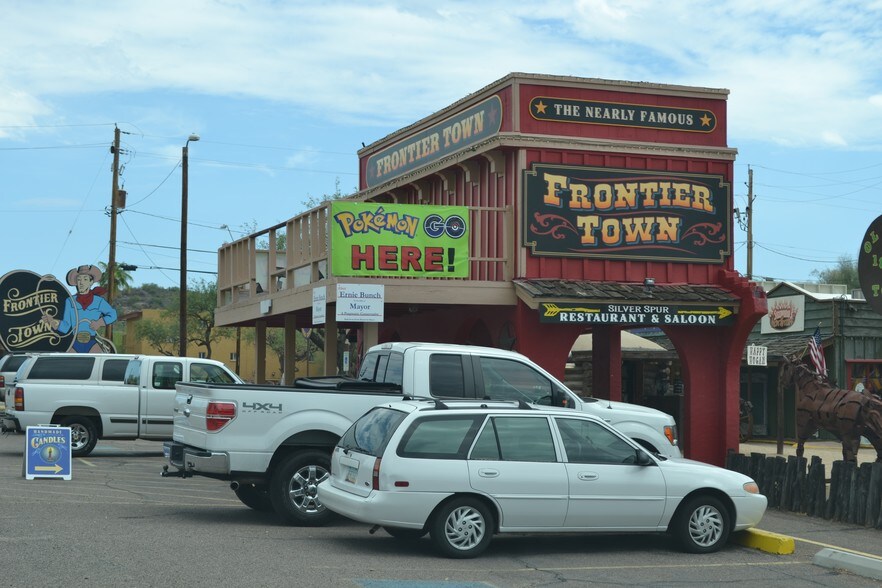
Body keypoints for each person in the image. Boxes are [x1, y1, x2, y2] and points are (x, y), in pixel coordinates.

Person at [42, 265, 117, 353]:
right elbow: (66, 326)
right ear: (76, 283)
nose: (81, 282)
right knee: (69, 364)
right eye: (79, 279)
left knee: (99, 362)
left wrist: (99, 323)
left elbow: (113, 314)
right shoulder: (70, 301)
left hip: (92, 341)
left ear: (91, 282)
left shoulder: (99, 301)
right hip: (74, 342)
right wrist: (52, 321)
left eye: (85, 279)